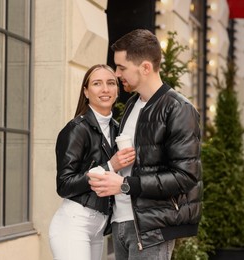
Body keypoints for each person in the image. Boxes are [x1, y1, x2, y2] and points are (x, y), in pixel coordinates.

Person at [88, 29, 203, 260]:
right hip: (121, 222)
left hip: (152, 229)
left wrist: (125, 185)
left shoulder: (178, 109)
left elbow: (185, 177)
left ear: (145, 67)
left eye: (122, 67)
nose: (117, 73)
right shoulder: (132, 105)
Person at [49, 64, 136, 260]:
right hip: (73, 225)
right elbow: (64, 185)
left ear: (117, 90)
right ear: (86, 91)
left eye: (111, 83)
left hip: (98, 228)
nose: (105, 89)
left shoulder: (117, 129)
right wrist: (110, 166)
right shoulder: (76, 129)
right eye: (97, 83)